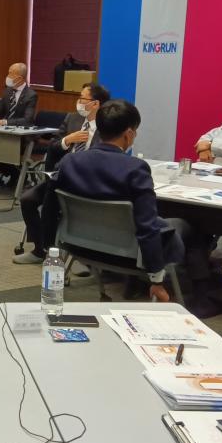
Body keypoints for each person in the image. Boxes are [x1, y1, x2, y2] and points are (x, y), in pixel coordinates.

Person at [46, 99, 184, 303]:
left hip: (78, 246)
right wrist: (156, 278)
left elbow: (50, 207)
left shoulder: (70, 161)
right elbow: (146, 226)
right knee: (180, 226)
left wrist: (49, 249)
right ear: (129, 133)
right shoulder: (135, 169)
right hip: (127, 254)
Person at [13, 83, 109, 264]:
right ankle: (40, 249)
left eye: (83, 98)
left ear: (95, 104)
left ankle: (79, 257)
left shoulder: (106, 126)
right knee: (28, 200)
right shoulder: (73, 118)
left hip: (87, 182)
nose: (79, 102)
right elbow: (53, 146)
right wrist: (67, 140)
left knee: (54, 203)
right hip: (61, 176)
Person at [0, 62, 38, 186]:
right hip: (4, 133)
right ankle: (15, 174)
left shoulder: (31, 95)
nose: (7, 76)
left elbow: (28, 120)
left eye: (10, 74)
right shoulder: (7, 92)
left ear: (19, 78)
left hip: (22, 136)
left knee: (2, 150)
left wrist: (5, 122)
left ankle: (17, 176)